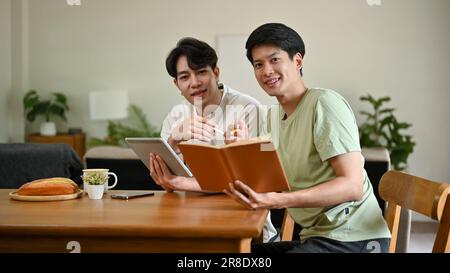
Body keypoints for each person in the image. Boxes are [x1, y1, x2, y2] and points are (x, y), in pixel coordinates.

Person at [224, 23, 391, 253]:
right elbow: (268, 178)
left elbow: (352, 186)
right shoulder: (273, 117)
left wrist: (278, 201)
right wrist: (241, 147)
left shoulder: (324, 104)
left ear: (298, 61)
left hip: (355, 240)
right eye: (258, 65)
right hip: (316, 238)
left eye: (274, 60)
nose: (266, 71)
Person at [149, 37, 278, 243]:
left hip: (245, 224)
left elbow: (251, 185)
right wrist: (173, 140)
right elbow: (165, 182)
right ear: (176, 84)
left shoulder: (247, 108)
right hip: (189, 219)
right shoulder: (176, 116)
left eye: (201, 72)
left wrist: (182, 183)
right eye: (184, 76)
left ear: (215, 72)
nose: (195, 82)